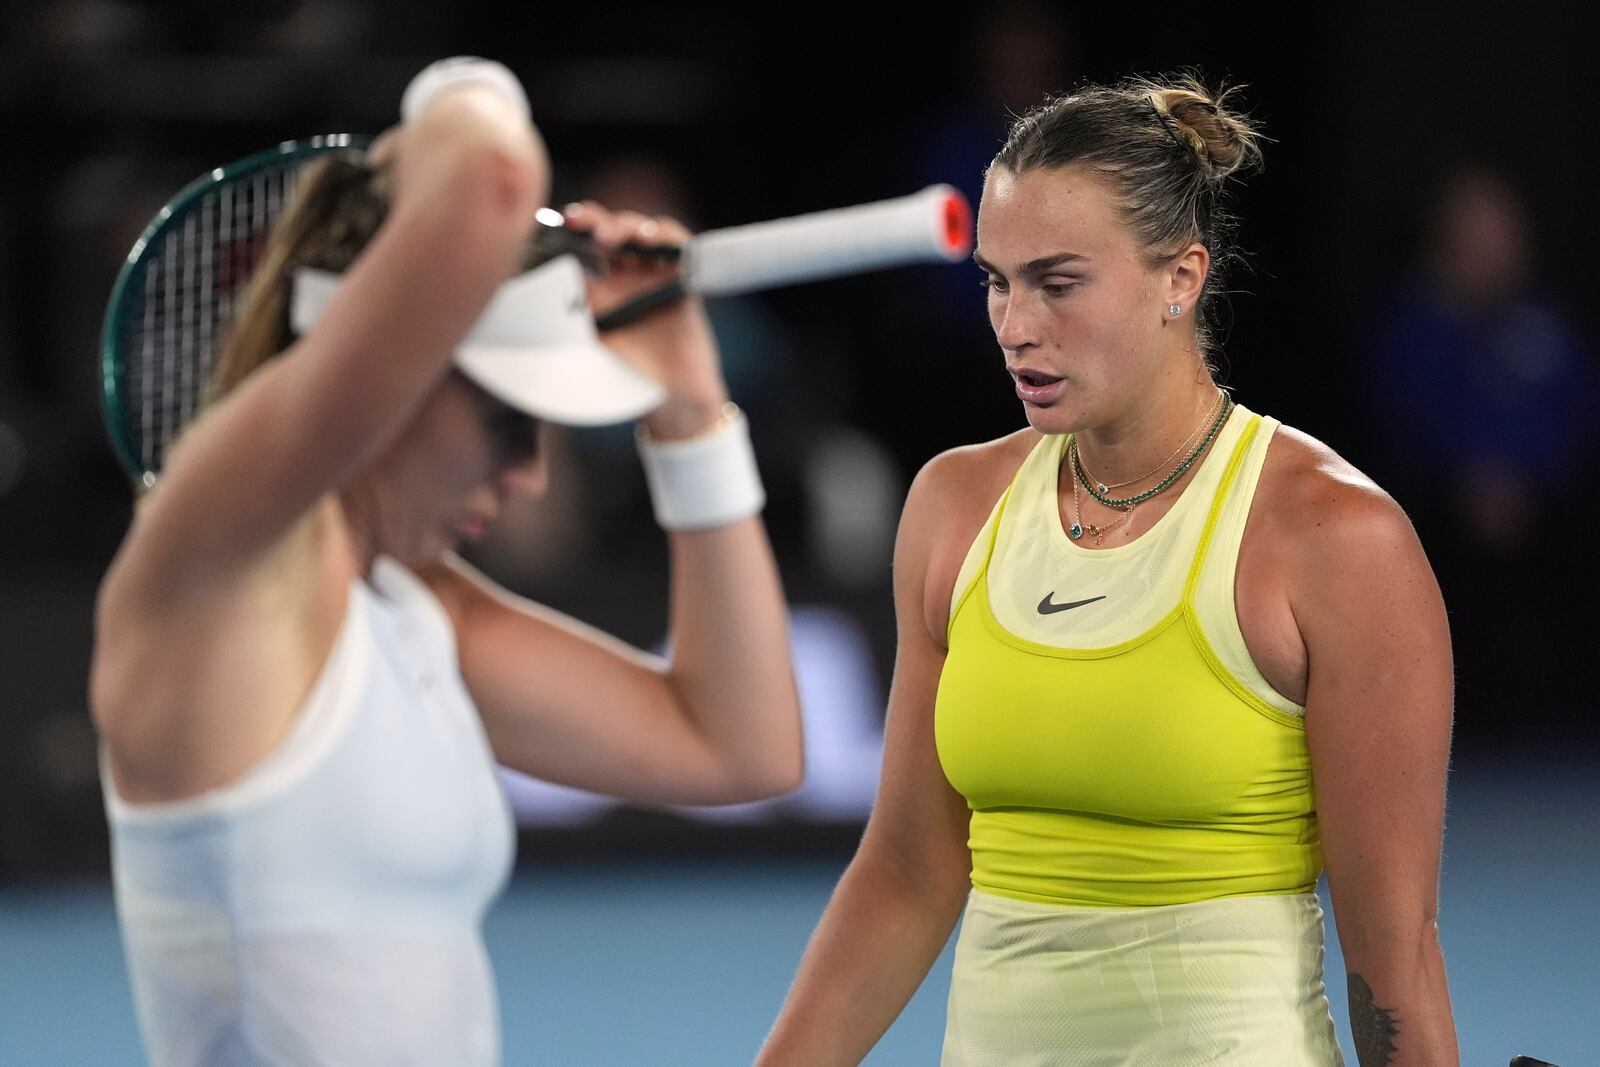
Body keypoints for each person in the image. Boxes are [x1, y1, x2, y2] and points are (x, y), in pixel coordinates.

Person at [89, 59, 802, 1066]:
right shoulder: (218, 566)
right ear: (392, 365)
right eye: (511, 421)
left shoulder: (423, 611)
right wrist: (449, 99)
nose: (530, 478)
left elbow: (741, 748)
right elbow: (492, 180)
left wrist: (689, 412)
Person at [756, 75, 1457, 1066]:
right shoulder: (953, 507)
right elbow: (909, 867)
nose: (1014, 323)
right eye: (996, 280)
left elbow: (1394, 953)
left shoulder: (1335, 538)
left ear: (1180, 277)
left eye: (1057, 280)